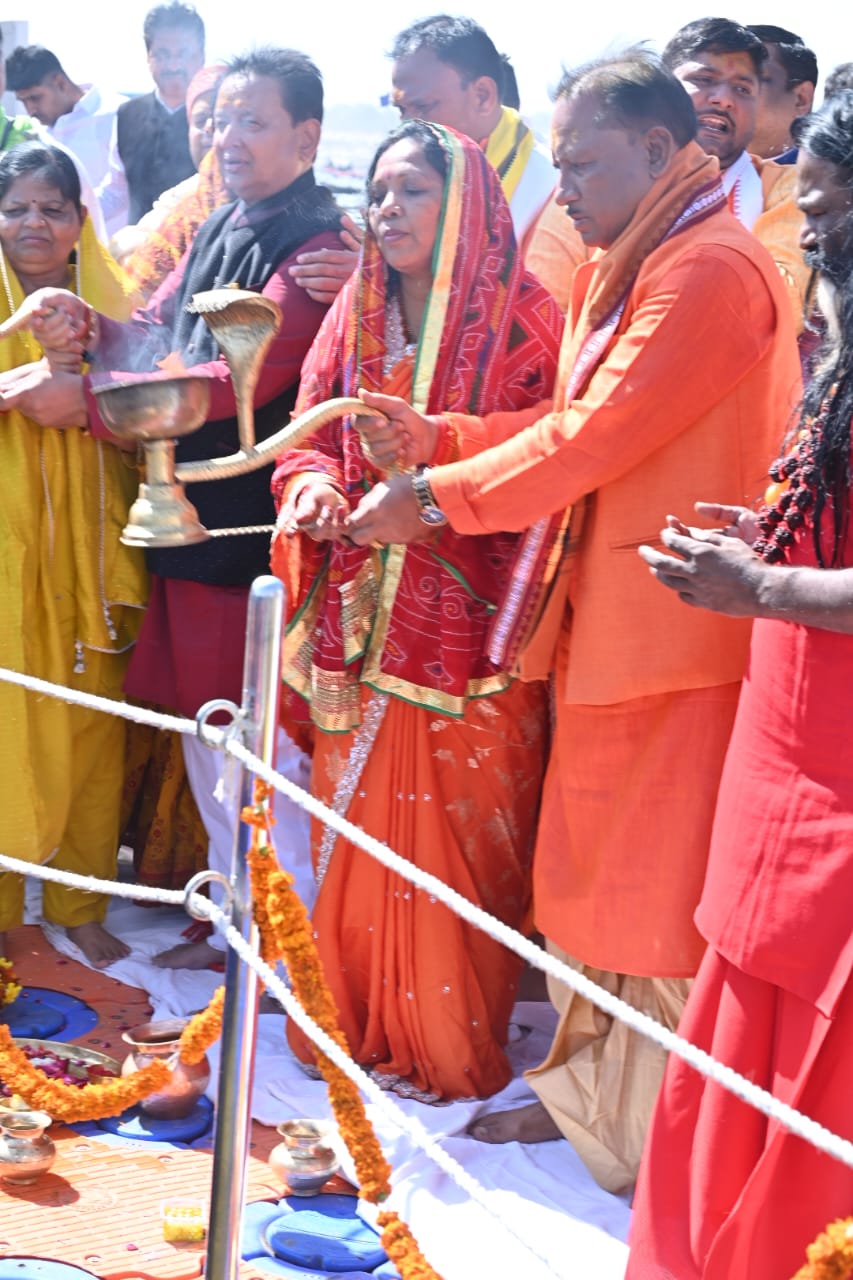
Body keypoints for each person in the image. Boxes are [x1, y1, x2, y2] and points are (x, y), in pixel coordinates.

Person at [341, 51, 802, 1188]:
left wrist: (433, 498)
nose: (565, 191)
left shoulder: (708, 269)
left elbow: (590, 439)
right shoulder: (647, 253)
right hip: (619, 631)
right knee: (595, 886)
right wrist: (443, 437)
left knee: (649, 902)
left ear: (657, 149)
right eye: (557, 165)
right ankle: (594, 1099)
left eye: (583, 165)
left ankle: (646, 1135)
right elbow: (572, 414)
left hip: (677, 645)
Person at [0, 47, 347, 971]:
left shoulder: (315, 245)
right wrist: (92, 326)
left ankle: (282, 956)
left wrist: (85, 402)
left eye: (252, 122)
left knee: (258, 749)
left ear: (308, 136)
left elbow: (227, 382)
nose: (226, 139)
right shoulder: (227, 219)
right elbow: (157, 327)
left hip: (248, 540)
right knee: (213, 738)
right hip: (190, 528)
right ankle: (237, 929)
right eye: (220, 119)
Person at [271, 119, 563, 1101]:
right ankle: (350, 1020)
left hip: (473, 637)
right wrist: (313, 489)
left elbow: (551, 446)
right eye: (379, 192)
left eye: (413, 191)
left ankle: (444, 1043)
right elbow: (308, 434)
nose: (387, 210)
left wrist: (437, 466)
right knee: (350, 825)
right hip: (358, 614)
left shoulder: (528, 319)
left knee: (461, 841)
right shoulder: (355, 308)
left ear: (467, 204)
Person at [627, 89, 853, 1280]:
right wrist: (775, 543)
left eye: (831, 211)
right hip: (784, 757)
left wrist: (763, 587)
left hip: (840, 787)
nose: (808, 231)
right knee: (741, 1025)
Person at [0, 142, 146, 968]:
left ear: (80, 220)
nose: (34, 224)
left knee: (94, 730)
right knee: (7, 729)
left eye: (52, 209)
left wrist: (88, 373)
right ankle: (5, 915)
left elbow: (156, 405)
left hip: (94, 558)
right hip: (8, 562)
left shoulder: (112, 301)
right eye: (16, 208)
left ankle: (81, 907)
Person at [383, 14, 586, 311]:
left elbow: (545, 323)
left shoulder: (554, 193)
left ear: (482, 96)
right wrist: (371, 278)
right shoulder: (401, 183)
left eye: (423, 107)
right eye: (402, 110)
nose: (409, 128)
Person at [662, 17, 809, 329]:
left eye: (742, 89)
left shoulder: (787, 189)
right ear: (660, 89)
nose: (724, 99)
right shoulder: (599, 182)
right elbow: (559, 301)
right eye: (704, 79)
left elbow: (779, 306)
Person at [110, 64, 229, 289]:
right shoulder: (183, 198)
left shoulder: (266, 194)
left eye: (222, 120)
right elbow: (126, 249)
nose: (210, 128)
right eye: (200, 120)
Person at [97, 2, 204, 230]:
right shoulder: (127, 115)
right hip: (141, 247)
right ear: (148, 56)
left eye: (184, 54)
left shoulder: (222, 118)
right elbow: (116, 191)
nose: (173, 65)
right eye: (162, 55)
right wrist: (74, 210)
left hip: (206, 246)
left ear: (202, 56)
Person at [5, 44, 126, 218]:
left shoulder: (118, 114)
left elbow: (124, 191)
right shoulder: (37, 133)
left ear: (60, 83)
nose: (30, 110)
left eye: (35, 98)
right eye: (23, 101)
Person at [746, 24, 817, 161]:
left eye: (750, 80)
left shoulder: (831, 173)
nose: (724, 97)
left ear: (801, 99)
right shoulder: (703, 168)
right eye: (708, 80)